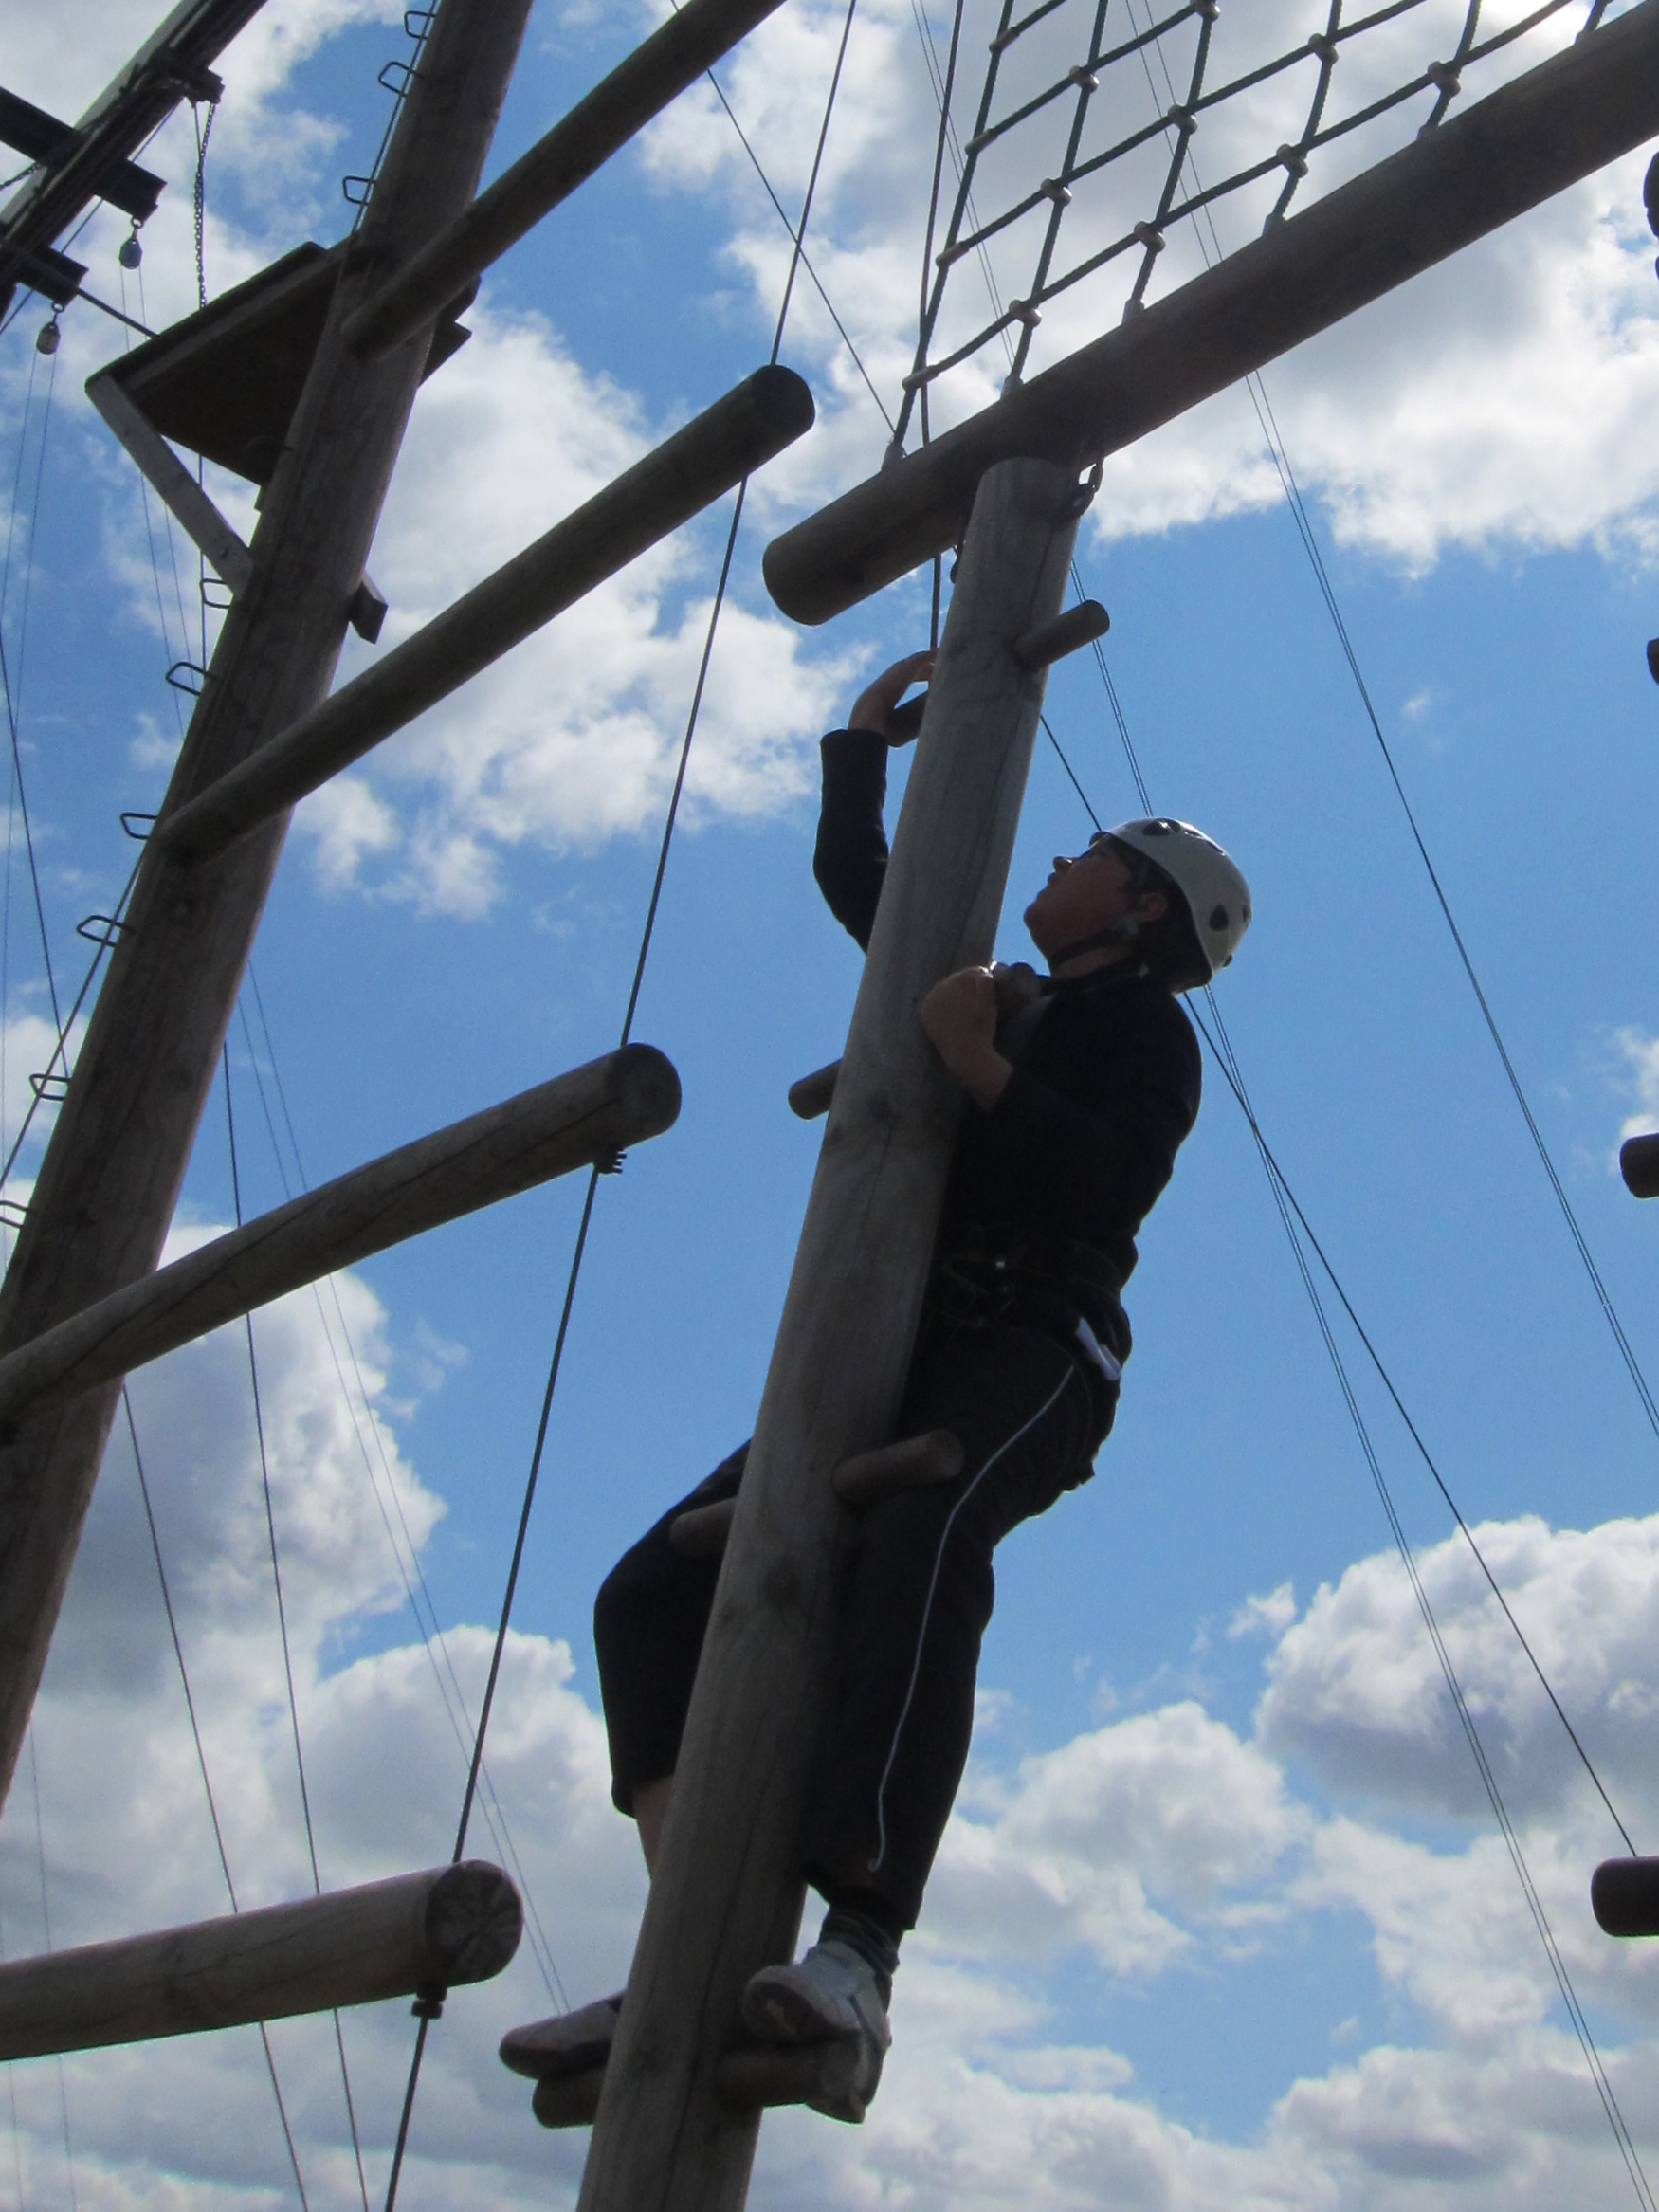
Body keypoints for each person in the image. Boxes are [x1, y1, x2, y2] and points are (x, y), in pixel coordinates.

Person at [498, 648, 1249, 2129]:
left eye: (1091, 857)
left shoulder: (1145, 1040)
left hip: (1039, 1352)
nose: (1057, 862)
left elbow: (1102, 1188)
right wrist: (861, 740)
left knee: (927, 1532)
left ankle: (861, 1951)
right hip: (899, 1356)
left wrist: (972, 1062)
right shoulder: (999, 992)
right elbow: (867, 881)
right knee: (649, 1593)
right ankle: (694, 1937)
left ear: (1146, 908)